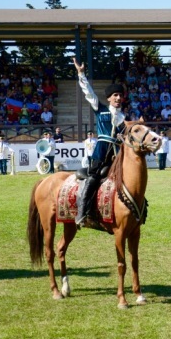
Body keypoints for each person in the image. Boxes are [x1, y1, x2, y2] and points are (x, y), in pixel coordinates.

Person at [73, 57, 127, 228]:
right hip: (101, 149)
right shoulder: (100, 108)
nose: (118, 98)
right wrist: (81, 74)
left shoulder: (123, 118)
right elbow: (88, 93)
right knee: (94, 177)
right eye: (115, 95)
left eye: (120, 95)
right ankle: (82, 212)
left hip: (116, 152)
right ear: (109, 98)